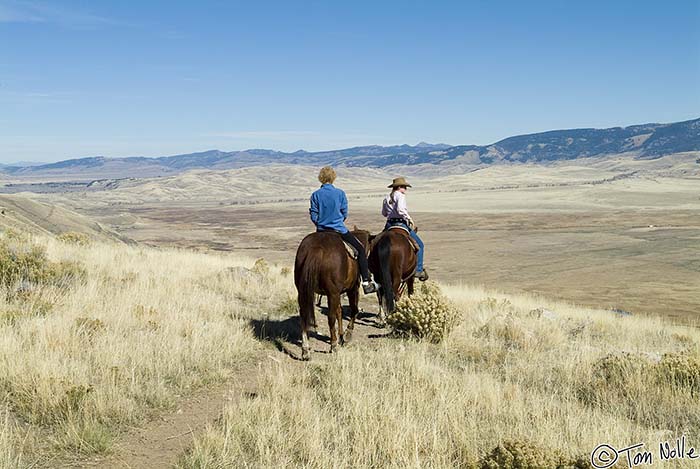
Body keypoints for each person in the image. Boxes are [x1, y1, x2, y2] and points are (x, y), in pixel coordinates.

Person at [309, 166, 379, 294]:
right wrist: (337, 221)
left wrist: (320, 223)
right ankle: (366, 282)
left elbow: (314, 215)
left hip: (321, 231)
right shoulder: (340, 193)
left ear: (321, 178)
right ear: (333, 178)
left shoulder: (315, 195)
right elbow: (344, 212)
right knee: (360, 250)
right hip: (338, 230)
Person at [381, 177, 429, 281]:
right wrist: (409, 218)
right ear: (399, 187)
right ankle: (419, 269)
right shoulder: (400, 195)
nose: (405, 190)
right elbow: (400, 210)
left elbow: (384, 213)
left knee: (377, 242)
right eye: (404, 187)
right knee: (419, 245)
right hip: (400, 223)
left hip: (389, 225)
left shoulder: (386, 198)